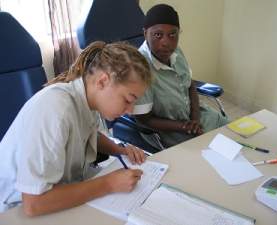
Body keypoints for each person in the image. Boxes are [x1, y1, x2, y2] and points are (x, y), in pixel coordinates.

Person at [0, 41, 152, 216]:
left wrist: (120, 150)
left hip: (58, 191)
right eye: (128, 99)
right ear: (103, 81)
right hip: (13, 210)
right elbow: (34, 203)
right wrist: (108, 184)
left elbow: (88, 133)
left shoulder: (88, 100)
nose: (130, 111)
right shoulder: (56, 108)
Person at [135, 4, 229, 149]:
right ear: (145, 33)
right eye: (158, 35)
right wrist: (184, 126)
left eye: (172, 35)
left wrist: (195, 118)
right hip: (171, 131)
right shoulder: (139, 67)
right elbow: (143, 119)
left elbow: (190, 84)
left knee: (234, 136)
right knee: (212, 158)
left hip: (197, 118)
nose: (166, 42)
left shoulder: (176, 52)